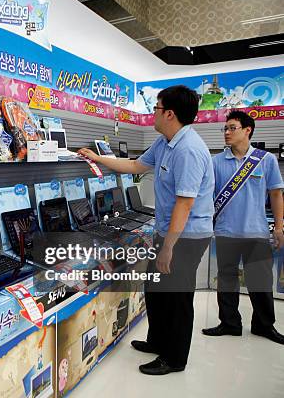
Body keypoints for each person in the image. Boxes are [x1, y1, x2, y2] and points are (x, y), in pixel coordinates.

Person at [78, 85, 214, 375]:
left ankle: (174, 358)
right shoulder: (164, 142)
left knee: (176, 297)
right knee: (155, 289)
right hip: (168, 231)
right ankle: (158, 341)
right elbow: (135, 165)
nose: (152, 112)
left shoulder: (189, 150)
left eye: (155, 107)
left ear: (170, 113)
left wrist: (168, 248)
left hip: (186, 237)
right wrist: (98, 158)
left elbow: (184, 204)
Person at [202, 110, 284, 344]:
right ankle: (229, 323)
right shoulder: (215, 162)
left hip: (257, 232)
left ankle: (264, 326)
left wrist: (279, 227)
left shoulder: (266, 159)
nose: (227, 132)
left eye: (232, 128)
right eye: (225, 128)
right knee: (226, 279)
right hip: (226, 232)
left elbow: (277, 194)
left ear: (247, 130)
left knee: (260, 283)